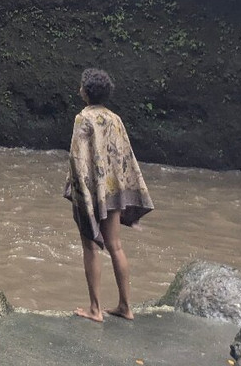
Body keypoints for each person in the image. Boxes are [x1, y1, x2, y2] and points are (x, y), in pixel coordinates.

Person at [63, 67, 154, 322]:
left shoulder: (83, 118)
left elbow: (78, 158)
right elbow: (126, 157)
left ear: (86, 91)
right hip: (114, 190)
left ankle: (95, 309)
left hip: (92, 190)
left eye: (81, 86)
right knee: (116, 246)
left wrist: (78, 193)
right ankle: (125, 307)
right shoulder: (116, 119)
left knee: (91, 246)